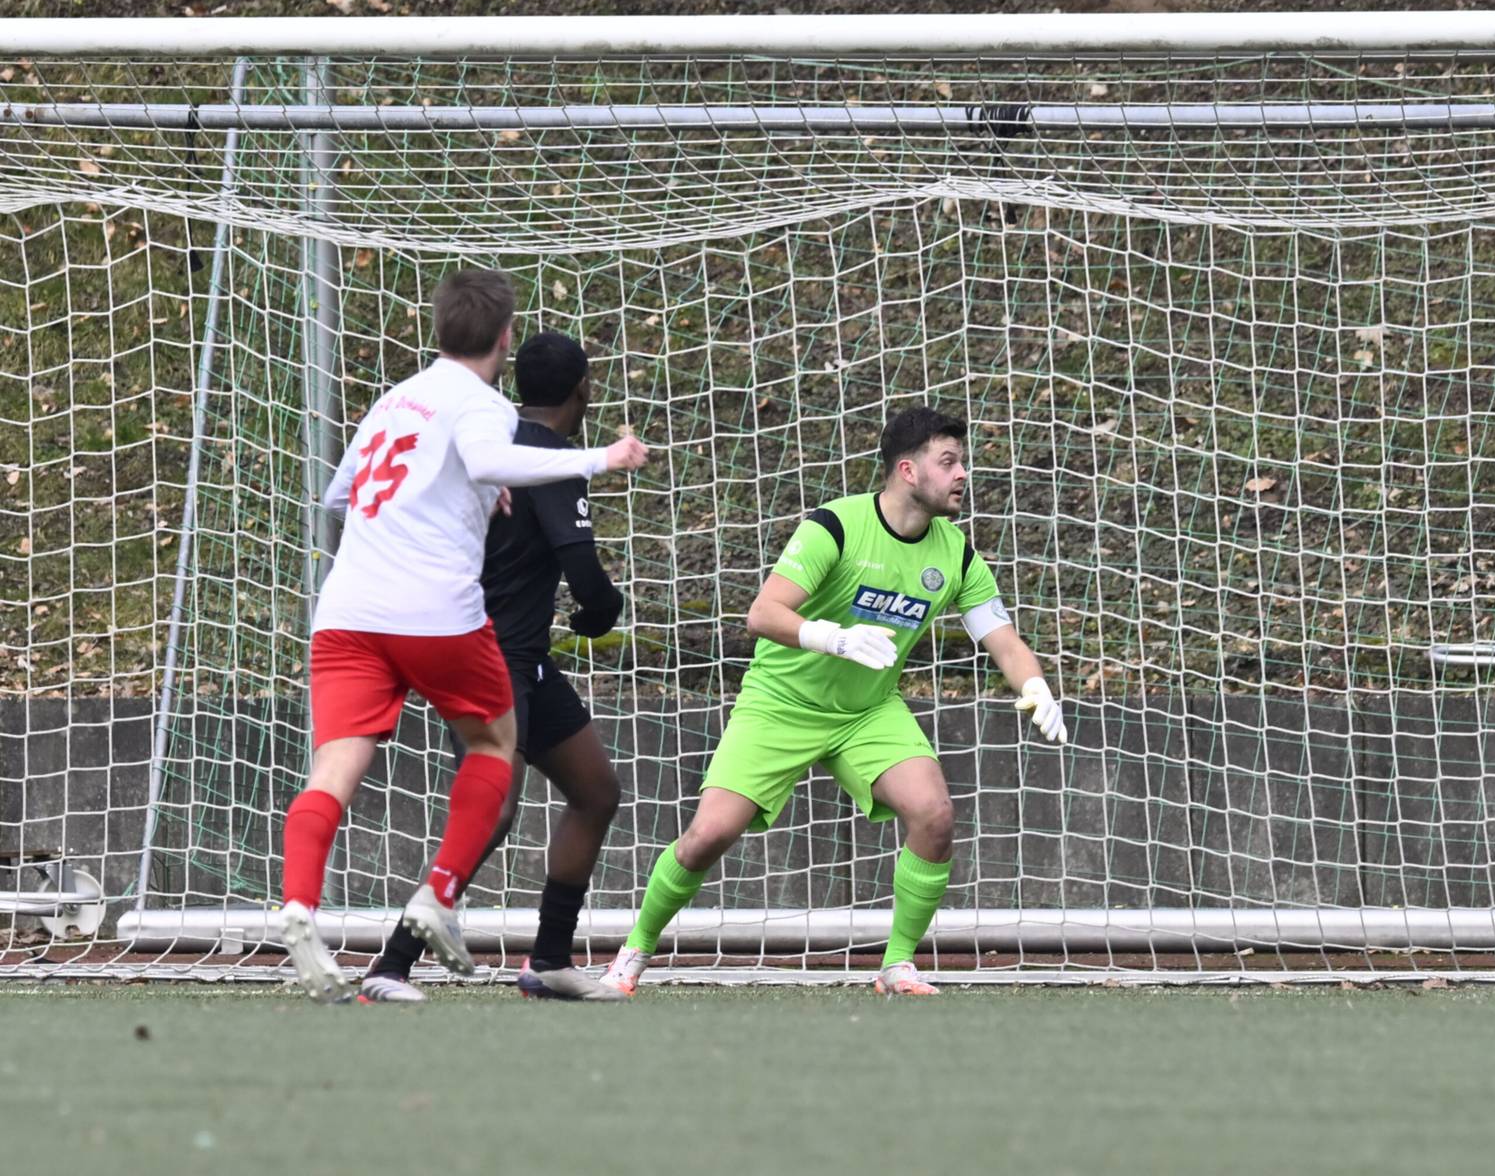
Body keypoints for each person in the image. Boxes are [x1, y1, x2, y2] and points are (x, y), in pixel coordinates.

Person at [601, 405, 1067, 998]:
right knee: (708, 836)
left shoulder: (958, 555)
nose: (962, 474)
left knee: (935, 815)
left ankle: (897, 965)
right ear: (907, 470)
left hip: (867, 711)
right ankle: (634, 950)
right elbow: (762, 614)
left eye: (962, 462)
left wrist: (1034, 686)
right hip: (780, 702)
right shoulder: (836, 527)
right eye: (947, 462)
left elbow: (1002, 639)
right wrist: (834, 637)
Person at [276, 270, 648, 1003]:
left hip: (359, 614)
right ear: (502, 339)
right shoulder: (495, 423)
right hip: (455, 627)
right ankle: (399, 952)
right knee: (494, 782)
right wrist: (600, 459)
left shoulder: (397, 402)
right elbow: (494, 471)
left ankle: (541, 960)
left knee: (594, 788)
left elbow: (340, 494)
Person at [360, 331, 632, 1003]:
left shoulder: (489, 443)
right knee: (496, 807)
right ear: (583, 391)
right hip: (485, 659)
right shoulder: (551, 458)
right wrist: (599, 615)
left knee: (596, 791)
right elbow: (586, 579)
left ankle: (548, 960)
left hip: (520, 660)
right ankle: (391, 965)